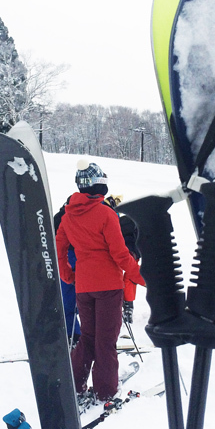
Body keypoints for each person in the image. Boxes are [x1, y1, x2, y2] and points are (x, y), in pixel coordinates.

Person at [55, 160, 144, 402]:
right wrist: (140, 277)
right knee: (106, 341)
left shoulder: (68, 215)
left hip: (84, 287)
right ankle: (106, 389)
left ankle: (75, 382)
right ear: (99, 186)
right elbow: (119, 254)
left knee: (89, 338)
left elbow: (59, 246)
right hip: (108, 287)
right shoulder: (106, 214)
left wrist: (67, 275)